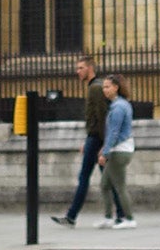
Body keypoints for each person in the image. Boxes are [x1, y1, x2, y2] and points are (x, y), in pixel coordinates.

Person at [50, 57, 106, 227]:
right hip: (94, 138)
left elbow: (102, 117)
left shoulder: (96, 88)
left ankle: (72, 216)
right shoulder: (94, 87)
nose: (77, 71)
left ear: (90, 68)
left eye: (80, 68)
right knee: (107, 178)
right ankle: (121, 214)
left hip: (97, 139)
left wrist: (104, 145)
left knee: (86, 177)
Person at [94, 74, 136, 229]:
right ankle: (108, 218)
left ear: (116, 87)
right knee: (105, 185)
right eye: (103, 87)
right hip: (119, 149)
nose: (104, 90)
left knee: (120, 186)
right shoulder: (121, 104)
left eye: (107, 87)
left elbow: (114, 132)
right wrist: (104, 149)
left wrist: (105, 152)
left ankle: (130, 219)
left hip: (119, 151)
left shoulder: (118, 107)